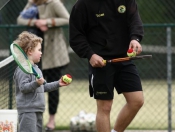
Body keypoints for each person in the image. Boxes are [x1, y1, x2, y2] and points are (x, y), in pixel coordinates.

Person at [69, 0, 144, 132]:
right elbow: (76, 36)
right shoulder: (82, 5)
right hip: (100, 63)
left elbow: (134, 20)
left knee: (137, 101)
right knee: (105, 107)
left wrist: (135, 38)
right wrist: (90, 55)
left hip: (124, 59)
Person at [17, 0, 70, 131]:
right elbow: (20, 19)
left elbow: (67, 19)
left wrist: (47, 22)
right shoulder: (32, 3)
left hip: (53, 51)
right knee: (35, 83)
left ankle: (52, 120)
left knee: (52, 89)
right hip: (34, 49)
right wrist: (36, 23)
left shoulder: (55, 3)